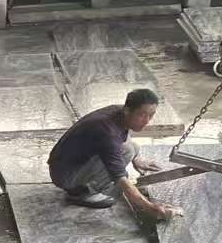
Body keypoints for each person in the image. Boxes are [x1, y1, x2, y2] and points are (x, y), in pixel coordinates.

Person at [48, 88, 174, 221]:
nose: (146, 121)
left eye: (151, 115)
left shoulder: (119, 112)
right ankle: (80, 193)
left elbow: (123, 136)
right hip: (65, 175)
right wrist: (149, 207)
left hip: (65, 163)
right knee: (125, 155)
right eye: (142, 115)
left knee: (131, 149)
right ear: (127, 110)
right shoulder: (106, 132)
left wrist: (136, 159)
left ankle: (86, 184)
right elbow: (120, 178)